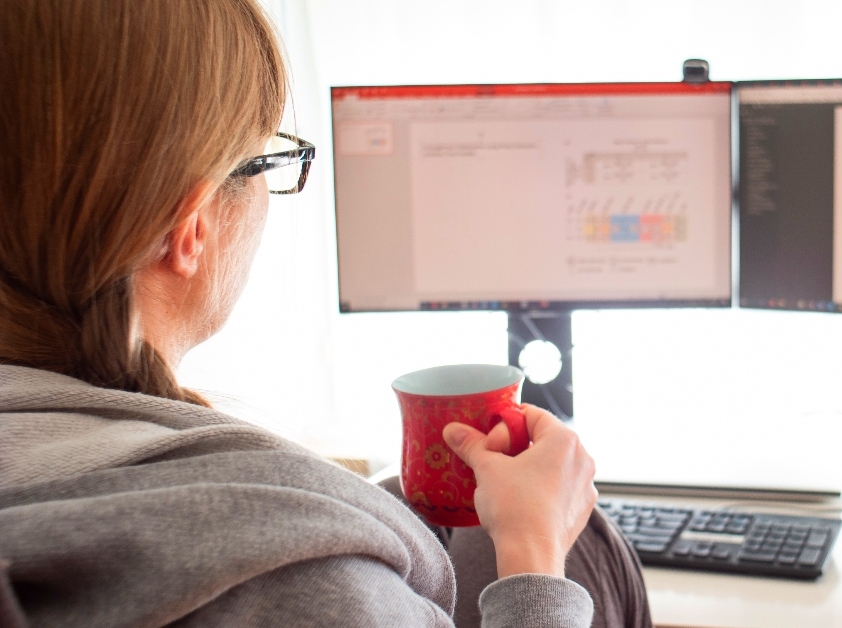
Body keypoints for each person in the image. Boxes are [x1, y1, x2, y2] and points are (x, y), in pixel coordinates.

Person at [0, 1, 651, 626]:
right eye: (269, 160)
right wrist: (535, 551)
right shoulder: (299, 582)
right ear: (190, 226)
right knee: (568, 528)